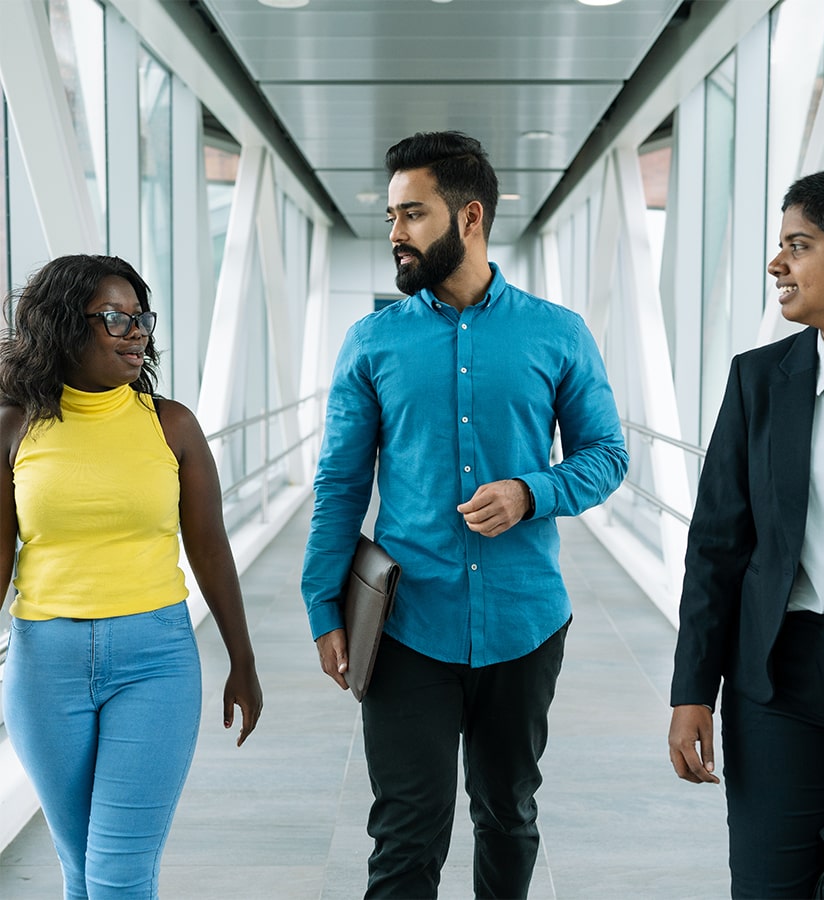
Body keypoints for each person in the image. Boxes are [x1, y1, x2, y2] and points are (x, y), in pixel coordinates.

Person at [301, 130, 628, 899]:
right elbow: (339, 485)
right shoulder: (371, 343)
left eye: (413, 215)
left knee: (509, 815)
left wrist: (530, 492)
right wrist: (324, 607)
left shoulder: (558, 333)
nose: (395, 234)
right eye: (390, 216)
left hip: (525, 623)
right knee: (406, 831)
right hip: (409, 625)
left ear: (470, 216)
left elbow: (606, 455)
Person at [668, 167, 824, 898]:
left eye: (798, 247)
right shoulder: (757, 379)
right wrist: (691, 691)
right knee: (768, 886)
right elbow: (716, 547)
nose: (778, 265)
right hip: (777, 683)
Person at [0, 254, 263, 899]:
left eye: (140, 318)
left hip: (156, 661)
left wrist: (243, 660)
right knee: (80, 872)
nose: (136, 331)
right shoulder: (14, 427)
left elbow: (210, 547)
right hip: (43, 664)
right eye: (114, 318)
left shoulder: (171, 425)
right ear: (62, 326)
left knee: (119, 874)